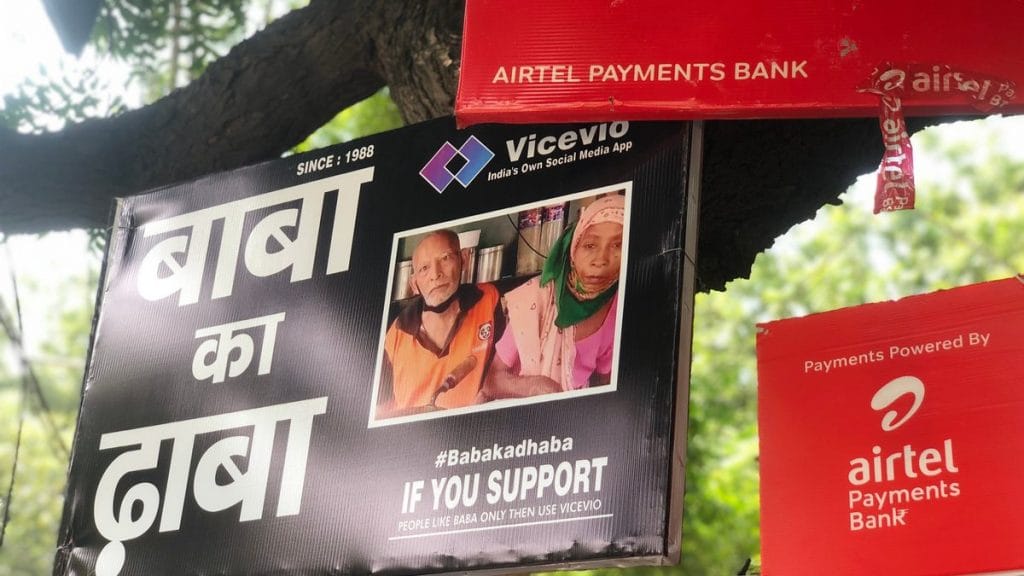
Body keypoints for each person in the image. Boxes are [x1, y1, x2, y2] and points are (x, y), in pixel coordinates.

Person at [483, 194, 624, 399]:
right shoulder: (535, 300)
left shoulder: (618, 307)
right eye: (590, 245)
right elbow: (492, 382)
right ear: (573, 248)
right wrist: (535, 387)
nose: (601, 260)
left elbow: (607, 385)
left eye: (617, 245)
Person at [377, 229, 502, 418]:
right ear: (414, 283)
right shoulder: (396, 333)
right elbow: (378, 411)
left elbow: (503, 373)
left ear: (464, 260)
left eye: (445, 258)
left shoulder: (488, 301)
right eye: (424, 269)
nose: (435, 274)